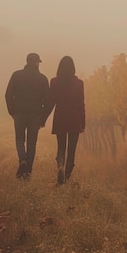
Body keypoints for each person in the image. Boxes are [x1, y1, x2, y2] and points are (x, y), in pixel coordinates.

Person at [5, 53, 50, 180]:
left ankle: (22, 159)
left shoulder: (16, 75)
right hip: (35, 115)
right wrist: (43, 117)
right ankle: (28, 173)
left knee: (19, 139)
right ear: (37, 63)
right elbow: (48, 100)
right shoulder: (42, 79)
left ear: (26, 61)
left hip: (19, 113)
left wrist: (12, 111)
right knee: (32, 143)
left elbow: (8, 95)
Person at [43, 56, 85, 185]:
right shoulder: (79, 83)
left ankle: (60, 165)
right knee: (72, 149)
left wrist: (43, 118)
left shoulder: (54, 82)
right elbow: (81, 104)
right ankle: (66, 178)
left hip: (60, 116)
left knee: (61, 146)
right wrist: (82, 123)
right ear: (73, 68)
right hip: (74, 117)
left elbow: (51, 102)